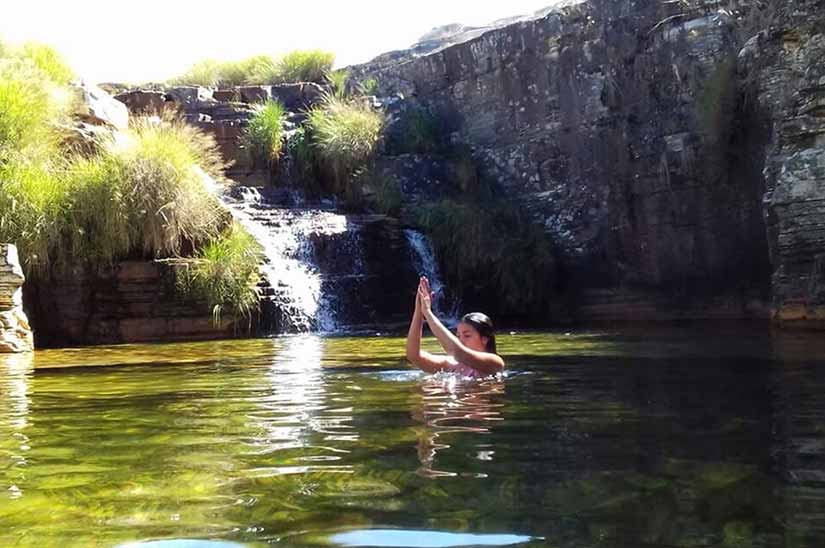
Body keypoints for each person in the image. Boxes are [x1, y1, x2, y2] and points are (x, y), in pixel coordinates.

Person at [405, 276, 504, 378]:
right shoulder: (451, 364)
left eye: (467, 335)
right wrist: (419, 311)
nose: (460, 340)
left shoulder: (495, 363)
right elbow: (413, 356)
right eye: (458, 336)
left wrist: (428, 313)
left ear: (484, 339)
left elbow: (457, 352)